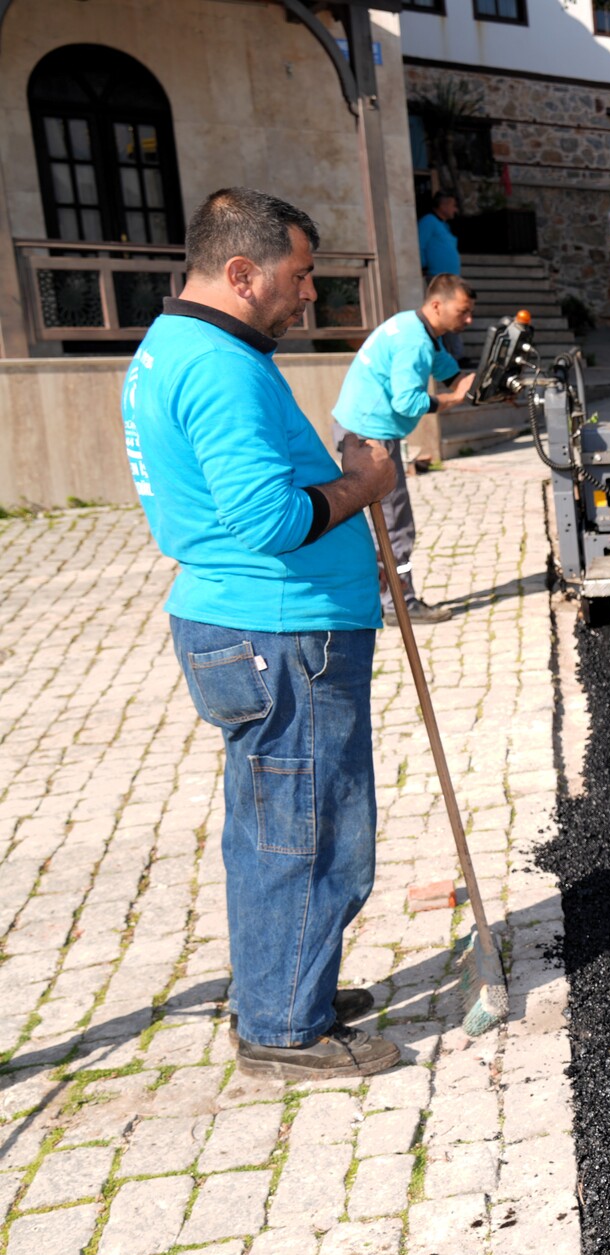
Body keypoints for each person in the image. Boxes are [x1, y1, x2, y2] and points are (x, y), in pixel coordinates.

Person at [123, 188, 404, 1081]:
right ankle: (283, 1029)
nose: (310, 292)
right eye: (300, 274)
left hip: (251, 628)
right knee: (310, 831)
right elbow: (270, 520)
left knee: (275, 822)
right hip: (277, 634)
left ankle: (287, 987)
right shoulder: (217, 365)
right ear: (241, 274)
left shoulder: (176, 348)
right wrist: (364, 486)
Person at [331, 274, 482, 624]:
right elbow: (408, 402)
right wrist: (452, 400)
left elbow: (450, 372)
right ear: (436, 305)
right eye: (463, 312)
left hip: (363, 427)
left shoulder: (418, 329)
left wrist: (476, 385)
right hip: (369, 437)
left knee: (381, 521)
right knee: (394, 523)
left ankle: (383, 597)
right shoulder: (414, 341)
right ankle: (400, 604)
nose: (469, 319)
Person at [415, 193, 465, 363]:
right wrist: (422, 264)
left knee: (455, 312)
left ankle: (455, 355)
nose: (455, 210)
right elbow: (419, 243)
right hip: (437, 278)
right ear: (442, 205)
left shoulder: (444, 225)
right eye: (452, 205)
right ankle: (449, 356)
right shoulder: (428, 221)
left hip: (450, 278)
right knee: (446, 313)